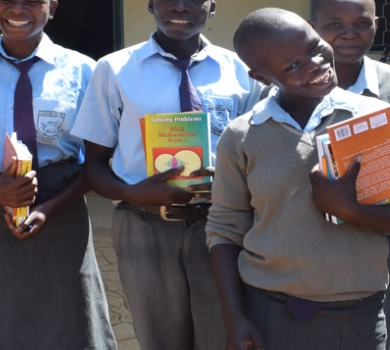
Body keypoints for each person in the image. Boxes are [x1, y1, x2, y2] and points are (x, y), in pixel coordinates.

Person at [210, 8, 390, 350]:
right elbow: (224, 228)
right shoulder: (242, 135)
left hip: (358, 311)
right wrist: (233, 317)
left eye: (315, 47)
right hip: (268, 309)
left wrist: (351, 209)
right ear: (261, 76)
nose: (315, 63)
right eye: (292, 65)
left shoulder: (374, 118)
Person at [71, 0, 262, 348]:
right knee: (160, 338)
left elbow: (261, 153)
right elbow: (94, 165)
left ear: (212, 6)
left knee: (224, 335)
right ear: (150, 5)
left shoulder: (241, 71)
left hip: (223, 227)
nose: (180, 6)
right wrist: (133, 193)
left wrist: (234, 178)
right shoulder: (113, 69)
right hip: (143, 228)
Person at [0, 0, 117, 348]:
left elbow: (94, 160)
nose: (18, 9)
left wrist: (50, 207)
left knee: (73, 305)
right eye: (7, 0)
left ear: (53, 6)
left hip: (63, 202)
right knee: (2, 307)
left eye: (33, 1)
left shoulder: (83, 70)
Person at [307, 1, 390, 348]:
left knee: (380, 335)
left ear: (376, 24)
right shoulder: (284, 86)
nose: (348, 33)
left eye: (361, 23)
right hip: (299, 242)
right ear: (311, 26)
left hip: (376, 240)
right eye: (334, 24)